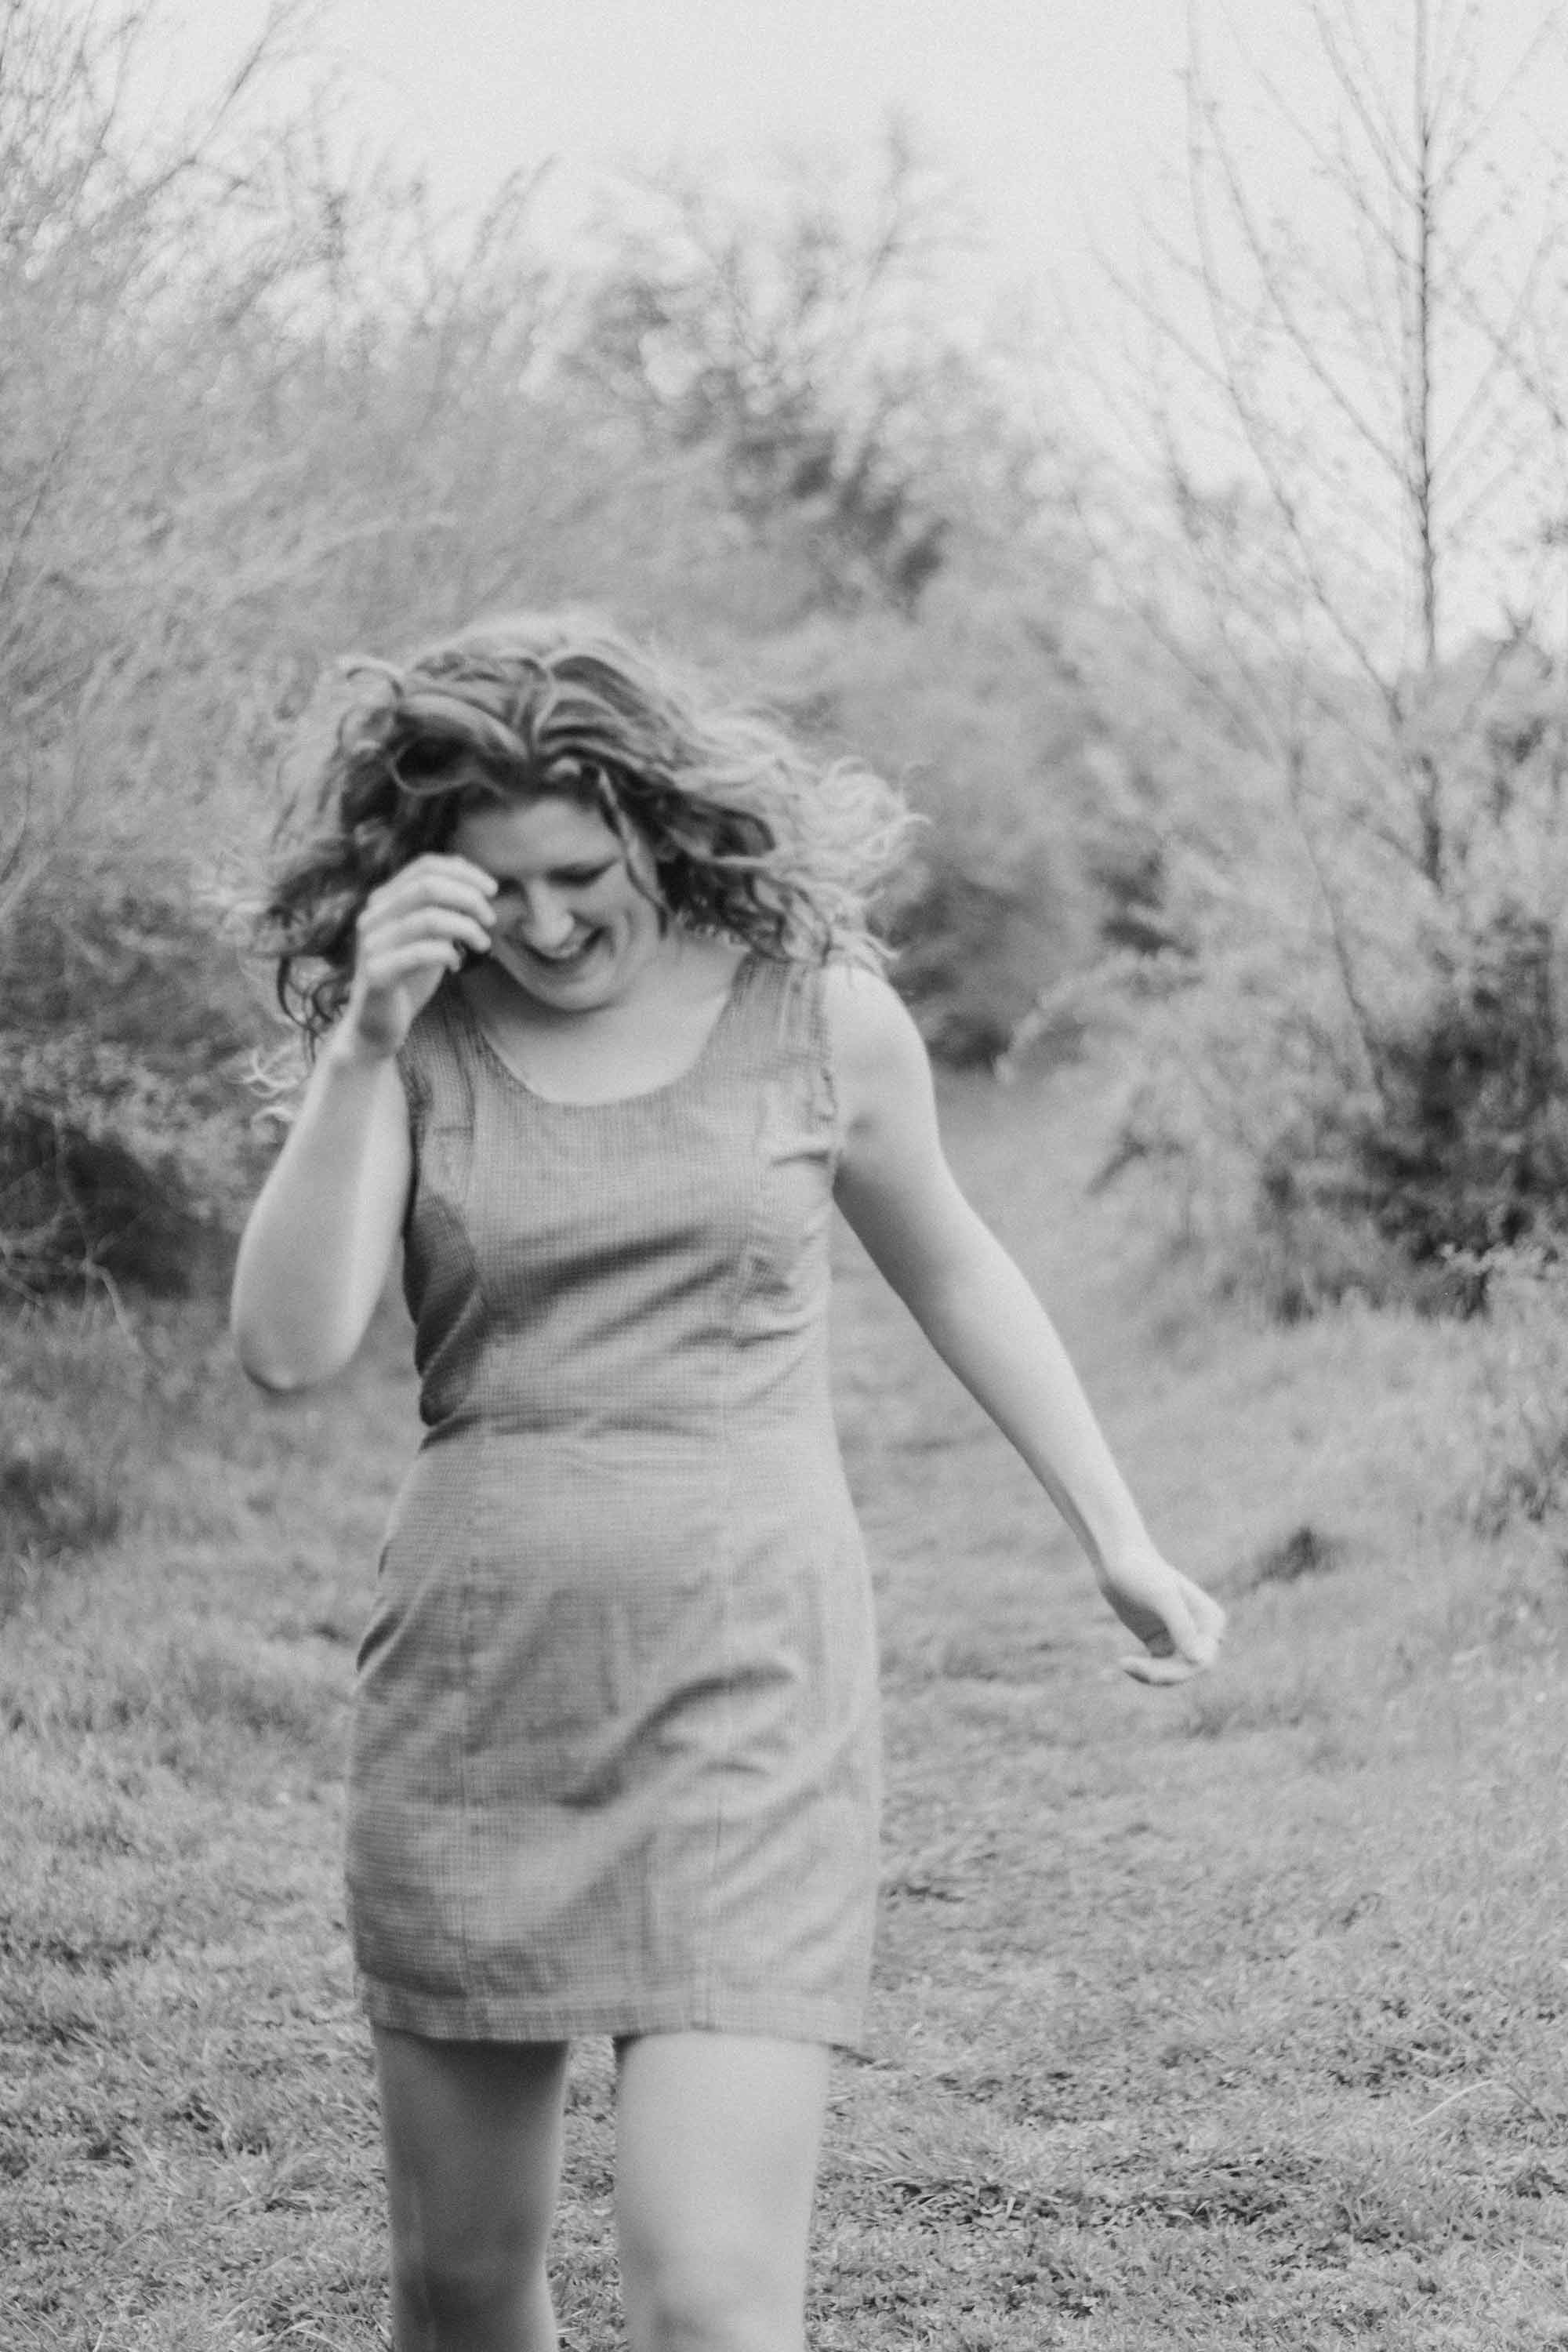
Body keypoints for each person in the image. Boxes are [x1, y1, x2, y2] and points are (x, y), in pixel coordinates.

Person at [230, 612, 1224, 2352]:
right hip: (477, 1701)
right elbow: (289, 1345)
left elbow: (957, 1265)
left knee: (711, 2291)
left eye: (579, 874)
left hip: (746, 1690)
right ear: (428, 879)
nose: (545, 926)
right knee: (460, 2288)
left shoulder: (819, 1017)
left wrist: (1115, 1532)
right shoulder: (424, 1041)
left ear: (655, 825)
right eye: (499, 888)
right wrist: (364, 1039)